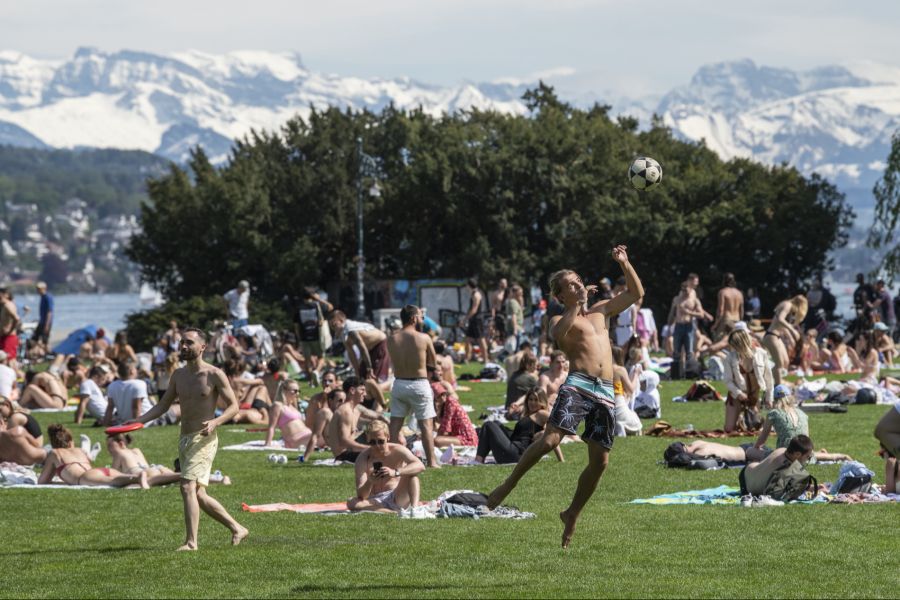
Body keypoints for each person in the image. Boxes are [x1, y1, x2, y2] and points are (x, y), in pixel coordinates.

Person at [487, 245, 643, 548]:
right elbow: (559, 336)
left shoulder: (601, 311)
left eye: (578, 281)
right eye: (570, 285)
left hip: (605, 390)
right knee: (549, 440)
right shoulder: (558, 319)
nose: (577, 285)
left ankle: (572, 513)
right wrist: (578, 304)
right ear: (560, 296)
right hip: (579, 384)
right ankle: (507, 485)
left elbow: (636, 293)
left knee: (601, 462)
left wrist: (625, 263)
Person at [133, 327, 248, 550]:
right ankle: (237, 528)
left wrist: (215, 422)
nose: (183, 346)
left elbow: (234, 406)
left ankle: (191, 542)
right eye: (181, 343)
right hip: (185, 438)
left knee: (186, 487)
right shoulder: (178, 375)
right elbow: (162, 406)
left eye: (189, 342)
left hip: (204, 439)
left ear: (202, 347)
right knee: (198, 494)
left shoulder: (214, 374)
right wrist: (138, 421)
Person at [386, 304, 440, 468]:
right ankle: (432, 462)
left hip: (399, 383)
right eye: (421, 316)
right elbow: (433, 362)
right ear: (413, 318)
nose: (422, 319)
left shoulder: (392, 339)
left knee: (395, 426)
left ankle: (393, 461)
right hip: (419, 383)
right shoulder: (424, 338)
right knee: (426, 426)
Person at [347, 421, 424, 513]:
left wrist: (395, 472)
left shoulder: (398, 450)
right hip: (375, 500)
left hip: (397, 497)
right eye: (372, 442)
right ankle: (392, 512)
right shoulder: (363, 458)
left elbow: (420, 466)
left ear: (388, 437)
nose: (377, 446)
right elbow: (361, 495)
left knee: (412, 476)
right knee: (351, 502)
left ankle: (415, 510)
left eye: (380, 441)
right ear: (367, 439)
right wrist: (370, 481)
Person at [38, 424, 148, 488]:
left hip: (85, 477)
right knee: (121, 478)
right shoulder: (79, 450)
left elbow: (42, 481)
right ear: (70, 442)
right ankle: (144, 477)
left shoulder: (54, 453)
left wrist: (61, 481)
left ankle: (137, 477)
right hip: (100, 471)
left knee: (114, 481)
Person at [476, 387, 564, 464]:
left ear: (542, 401)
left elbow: (555, 433)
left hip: (516, 454)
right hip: (514, 448)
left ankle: (478, 460)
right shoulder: (530, 413)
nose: (532, 402)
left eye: (536, 400)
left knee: (488, 425)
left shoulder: (541, 413)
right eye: (530, 399)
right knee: (496, 423)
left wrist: (561, 459)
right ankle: (480, 458)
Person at [723, 329, 773, 432]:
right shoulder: (730, 358)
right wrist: (738, 393)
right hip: (736, 396)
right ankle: (740, 420)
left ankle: (744, 420)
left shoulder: (761, 354)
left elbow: (769, 379)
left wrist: (769, 398)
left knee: (754, 428)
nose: (733, 348)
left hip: (754, 397)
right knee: (729, 429)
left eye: (735, 345)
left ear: (742, 343)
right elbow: (727, 381)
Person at [328, 310, 391, 383]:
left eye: (334, 325)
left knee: (376, 377)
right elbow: (351, 353)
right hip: (369, 350)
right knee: (362, 376)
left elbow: (362, 348)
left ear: (341, 321)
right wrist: (357, 371)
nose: (333, 329)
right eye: (331, 327)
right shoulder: (343, 333)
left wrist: (369, 367)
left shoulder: (351, 329)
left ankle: (388, 383)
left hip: (380, 344)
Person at [742, 435, 814, 496]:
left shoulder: (782, 450)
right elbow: (788, 490)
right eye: (807, 457)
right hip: (750, 488)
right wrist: (812, 488)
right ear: (797, 454)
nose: (807, 459)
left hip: (747, 472)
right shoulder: (787, 467)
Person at [107, 433, 185, 487]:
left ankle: (181, 474)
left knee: (151, 480)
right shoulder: (136, 450)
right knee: (176, 476)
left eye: (110, 446)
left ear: (121, 444)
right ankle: (182, 473)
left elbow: (114, 474)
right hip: (154, 468)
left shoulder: (119, 453)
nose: (108, 449)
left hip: (142, 473)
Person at [761, 295, 807, 385]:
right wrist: (792, 330)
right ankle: (777, 386)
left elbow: (781, 325)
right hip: (771, 336)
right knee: (779, 364)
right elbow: (780, 319)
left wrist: (790, 337)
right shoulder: (788, 304)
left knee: (785, 361)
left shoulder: (789, 307)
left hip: (776, 337)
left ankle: (774, 381)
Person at [293, 287, 334, 384]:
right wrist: (319, 299)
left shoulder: (298, 308)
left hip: (304, 337)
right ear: (313, 296)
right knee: (321, 357)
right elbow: (330, 307)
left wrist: (299, 339)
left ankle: (310, 379)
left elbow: (296, 326)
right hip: (317, 336)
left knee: (307, 360)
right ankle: (317, 371)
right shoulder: (317, 305)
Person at [328, 376, 372, 463]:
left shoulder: (353, 409)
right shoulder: (345, 411)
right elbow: (344, 440)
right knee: (383, 456)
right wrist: (369, 448)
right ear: (352, 390)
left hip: (349, 453)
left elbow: (377, 416)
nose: (365, 394)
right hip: (344, 456)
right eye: (362, 390)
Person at [669, 282, 707, 377]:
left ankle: (690, 373)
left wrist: (688, 312)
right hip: (678, 325)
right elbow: (672, 312)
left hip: (688, 326)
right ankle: (676, 374)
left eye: (686, 290)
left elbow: (701, 314)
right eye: (683, 289)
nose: (684, 292)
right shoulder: (677, 299)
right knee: (676, 350)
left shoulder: (694, 300)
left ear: (690, 289)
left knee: (689, 351)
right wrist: (670, 320)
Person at [264, 381, 313, 449]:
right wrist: (267, 444)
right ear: (284, 391)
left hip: (307, 435)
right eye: (295, 391)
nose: (297, 393)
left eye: (298, 391)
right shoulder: (278, 406)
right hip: (296, 439)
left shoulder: (293, 407)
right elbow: (272, 427)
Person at [303, 387, 344, 463]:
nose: (343, 403)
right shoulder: (325, 413)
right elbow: (315, 436)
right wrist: (305, 458)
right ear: (331, 401)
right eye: (340, 400)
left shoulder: (344, 415)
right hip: (345, 454)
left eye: (344, 401)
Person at [432, 381, 478, 447]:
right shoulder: (442, 406)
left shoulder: (450, 402)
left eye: (443, 394)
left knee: (436, 441)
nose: (442, 397)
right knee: (433, 439)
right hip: (457, 435)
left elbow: (445, 429)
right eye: (439, 396)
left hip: (467, 438)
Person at [505, 350, 539, 418]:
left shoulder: (514, 374)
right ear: (528, 366)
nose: (536, 368)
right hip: (519, 407)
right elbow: (540, 393)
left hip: (508, 406)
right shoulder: (530, 378)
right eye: (535, 365)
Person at [462, 278, 489, 364]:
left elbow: (474, 309)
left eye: (467, 285)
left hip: (477, 320)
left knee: (481, 339)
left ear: (469, 285)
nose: (466, 287)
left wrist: (465, 319)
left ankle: (486, 359)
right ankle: (467, 358)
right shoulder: (473, 294)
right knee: (467, 339)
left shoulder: (476, 295)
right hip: (473, 320)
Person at [713, 273, 744, 340]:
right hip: (737, 320)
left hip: (726, 320)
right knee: (735, 342)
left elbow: (720, 310)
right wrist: (740, 321)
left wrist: (715, 324)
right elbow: (741, 310)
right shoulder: (739, 293)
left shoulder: (723, 292)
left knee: (719, 341)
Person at [0, 288, 21, 368]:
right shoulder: (4, 305)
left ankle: (17, 375)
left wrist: (10, 330)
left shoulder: (8, 305)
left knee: (10, 361)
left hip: (9, 337)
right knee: (3, 360)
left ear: (5, 295)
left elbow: (17, 319)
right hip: (4, 337)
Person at [30, 281, 54, 346]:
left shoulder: (48, 297)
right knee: (34, 338)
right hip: (41, 322)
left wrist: (47, 325)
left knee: (44, 341)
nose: (38, 290)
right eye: (37, 289)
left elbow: (49, 312)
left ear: (44, 288)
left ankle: (48, 351)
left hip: (46, 322)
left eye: (39, 289)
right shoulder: (42, 297)